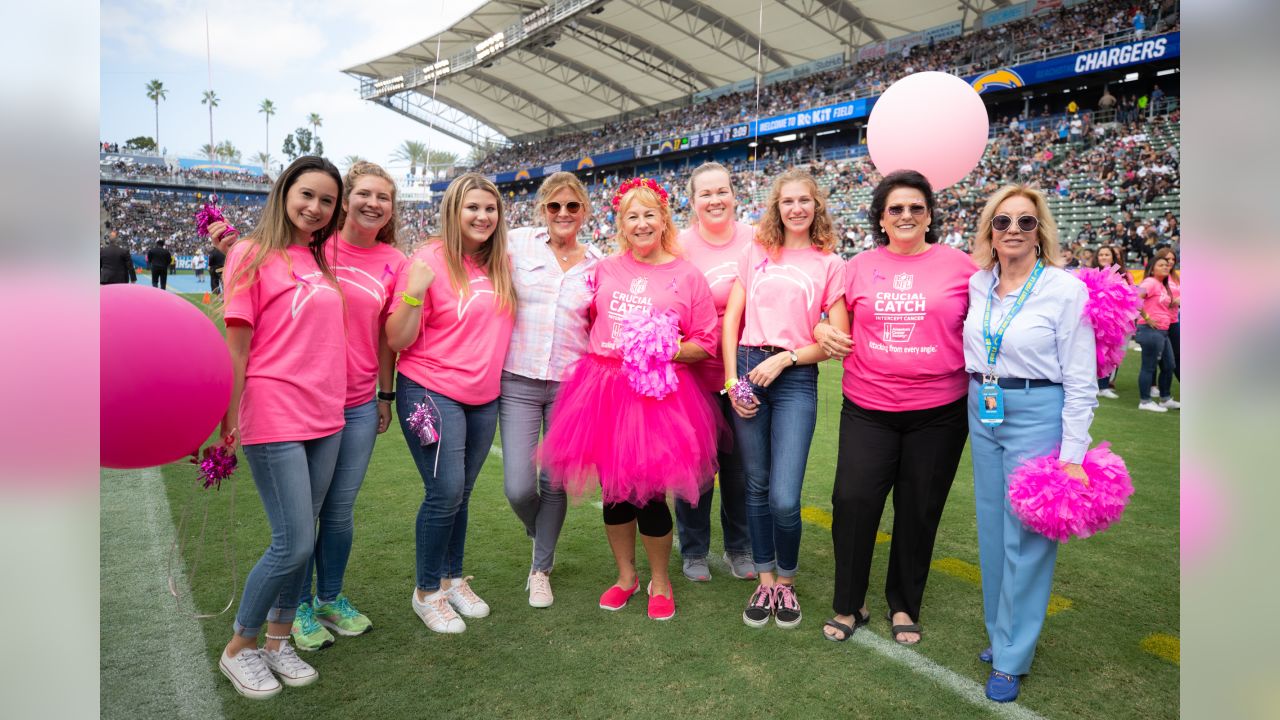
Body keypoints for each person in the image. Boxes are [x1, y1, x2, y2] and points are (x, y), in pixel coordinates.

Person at [540, 177, 721, 622]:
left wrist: (664, 348)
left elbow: (706, 341)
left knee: (651, 496)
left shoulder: (686, 274)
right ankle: (626, 578)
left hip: (657, 398)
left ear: (663, 219)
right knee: (615, 495)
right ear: (621, 223)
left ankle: (660, 580)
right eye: (631, 216)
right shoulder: (604, 269)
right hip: (602, 394)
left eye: (649, 215)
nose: (641, 224)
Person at [814, 170, 976, 645]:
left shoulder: (962, 266)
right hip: (869, 404)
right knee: (852, 501)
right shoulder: (858, 266)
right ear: (881, 219)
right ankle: (850, 602)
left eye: (916, 207)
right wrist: (823, 327)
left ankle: (904, 603)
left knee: (918, 509)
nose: (906, 215)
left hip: (940, 410)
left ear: (929, 216)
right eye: (896, 209)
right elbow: (830, 319)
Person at [215, 156, 346, 699]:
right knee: (291, 543)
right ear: (285, 191)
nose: (315, 208)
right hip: (273, 411)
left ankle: (278, 638)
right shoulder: (249, 254)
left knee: (306, 534)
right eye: (307, 195)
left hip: (326, 415)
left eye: (326, 201)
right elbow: (237, 347)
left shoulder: (318, 258)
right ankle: (240, 647)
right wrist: (227, 417)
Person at [963, 185, 1097, 703]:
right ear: (989, 233)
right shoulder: (979, 284)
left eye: (1025, 221)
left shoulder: (1063, 289)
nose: (1013, 230)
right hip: (984, 406)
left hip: (1039, 411)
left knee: (1030, 535)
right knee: (995, 529)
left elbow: (1081, 378)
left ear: (1040, 230)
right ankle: (1003, 636)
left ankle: (1014, 656)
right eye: (1002, 222)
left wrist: (1072, 454)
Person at [386, 173, 517, 634]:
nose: (482, 216)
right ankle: (426, 592)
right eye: (472, 208)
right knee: (444, 492)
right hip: (429, 390)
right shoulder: (426, 260)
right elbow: (397, 338)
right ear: (453, 211)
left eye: (490, 209)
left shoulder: (499, 263)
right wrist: (414, 290)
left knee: (459, 493)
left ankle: (452, 578)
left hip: (483, 400)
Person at [722, 168, 847, 629]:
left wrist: (789, 357)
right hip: (748, 368)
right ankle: (766, 578)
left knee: (784, 497)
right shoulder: (755, 252)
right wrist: (734, 381)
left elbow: (839, 342)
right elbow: (731, 321)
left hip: (795, 377)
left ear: (817, 206)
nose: (796, 208)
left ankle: (788, 584)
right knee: (754, 485)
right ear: (777, 207)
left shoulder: (830, 263)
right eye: (787, 201)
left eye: (804, 201)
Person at [291, 162, 407, 648]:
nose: (372, 203)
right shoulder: (313, 244)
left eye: (383, 196)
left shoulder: (395, 262)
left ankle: (329, 598)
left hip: (359, 402)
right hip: (304, 398)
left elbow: (387, 337)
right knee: (303, 512)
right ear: (344, 199)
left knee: (339, 510)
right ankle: (293, 607)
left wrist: (386, 393)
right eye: (363, 193)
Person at [500, 172, 603, 608]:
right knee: (519, 488)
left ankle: (540, 567)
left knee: (555, 482)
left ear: (585, 211)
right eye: (554, 206)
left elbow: (601, 322)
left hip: (571, 384)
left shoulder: (598, 262)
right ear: (542, 209)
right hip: (518, 378)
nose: (563, 214)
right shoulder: (517, 243)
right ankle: (539, 528)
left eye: (572, 206)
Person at [673, 162, 755, 583]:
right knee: (695, 468)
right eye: (705, 193)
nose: (715, 199)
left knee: (739, 466)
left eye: (721, 191)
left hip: (744, 371)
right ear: (692, 200)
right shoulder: (679, 244)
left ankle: (739, 547)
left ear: (734, 194)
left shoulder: (756, 238)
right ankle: (693, 549)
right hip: (693, 373)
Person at [1135, 249, 1180, 412]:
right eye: (1161, 265)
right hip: (1149, 330)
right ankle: (1145, 401)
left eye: (1167, 265)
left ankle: (1165, 398)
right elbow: (1135, 298)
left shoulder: (1163, 286)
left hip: (1163, 330)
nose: (1166, 267)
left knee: (1169, 365)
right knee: (1149, 366)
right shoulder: (1150, 282)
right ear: (1153, 268)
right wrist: (1146, 317)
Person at [1089, 245, 1132, 400]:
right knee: (1092, 354)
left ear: (1113, 257)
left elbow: (1128, 298)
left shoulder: (1120, 276)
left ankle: (1104, 386)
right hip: (1094, 322)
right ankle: (1093, 385)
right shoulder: (1091, 273)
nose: (1104, 257)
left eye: (1107, 254)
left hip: (1113, 323)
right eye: (1101, 254)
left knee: (1109, 354)